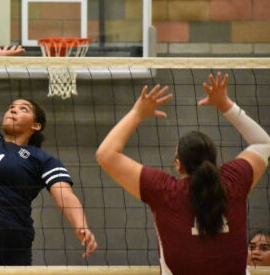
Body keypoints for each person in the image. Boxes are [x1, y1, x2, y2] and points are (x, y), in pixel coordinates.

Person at [95, 72, 270, 274]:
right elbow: (263, 143)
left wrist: (137, 112)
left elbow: (105, 154)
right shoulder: (234, 180)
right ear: (213, 160)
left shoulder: (164, 191)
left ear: (178, 164)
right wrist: (225, 104)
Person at [0, 45, 97, 265]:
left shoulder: (42, 159)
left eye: (23, 109)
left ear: (36, 126)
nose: (13, 110)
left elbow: (64, 195)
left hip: (9, 233)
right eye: (11, 107)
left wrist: (81, 224)